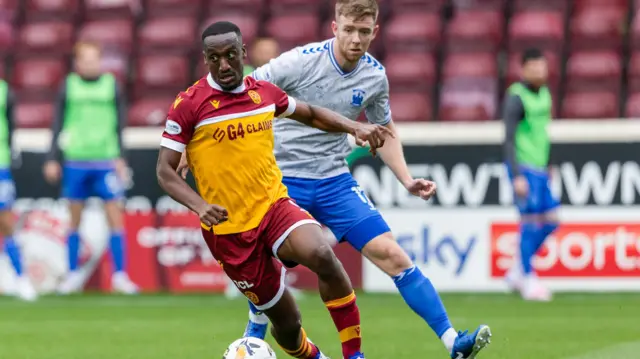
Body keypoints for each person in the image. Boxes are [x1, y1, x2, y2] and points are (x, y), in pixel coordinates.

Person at [181, 1, 492, 358]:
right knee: (270, 260)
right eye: (349, 30)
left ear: (375, 32)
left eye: (363, 31)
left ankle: (452, 341)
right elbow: (239, 95)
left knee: (391, 253)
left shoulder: (375, 77)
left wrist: (405, 179)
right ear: (334, 27)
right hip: (282, 178)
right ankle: (255, 333)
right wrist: (194, 148)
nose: (356, 39)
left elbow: (384, 129)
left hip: (333, 179)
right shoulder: (300, 61)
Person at [158, 21, 393, 359]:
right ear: (205, 59)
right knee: (288, 324)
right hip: (230, 231)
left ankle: (354, 355)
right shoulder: (190, 105)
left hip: (273, 206)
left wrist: (354, 125)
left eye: (229, 56)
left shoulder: (263, 92)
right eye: (214, 58)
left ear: (243, 53)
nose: (223, 66)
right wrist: (199, 205)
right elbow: (164, 170)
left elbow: (310, 114)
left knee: (322, 254)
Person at [43, 41, 139, 295]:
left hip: (106, 159)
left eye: (94, 59)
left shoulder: (111, 85)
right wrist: (53, 157)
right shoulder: (68, 86)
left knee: (115, 218)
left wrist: (121, 156)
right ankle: (73, 274)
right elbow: (57, 122)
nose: (90, 64)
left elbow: (120, 124)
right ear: (77, 63)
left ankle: (120, 275)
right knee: (74, 220)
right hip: (75, 159)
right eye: (85, 60)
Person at [502, 48, 558, 302]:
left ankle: (517, 271)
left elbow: (542, 132)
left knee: (551, 221)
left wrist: (549, 163)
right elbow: (509, 139)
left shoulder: (545, 94)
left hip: (540, 167)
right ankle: (527, 277)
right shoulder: (516, 97)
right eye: (533, 67)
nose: (539, 72)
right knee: (530, 222)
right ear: (523, 69)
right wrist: (516, 175)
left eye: (542, 67)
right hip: (524, 167)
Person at [0, 80, 37, 301]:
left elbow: (11, 124)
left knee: (6, 222)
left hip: (0, 164)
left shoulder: (4, 89)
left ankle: (21, 278)